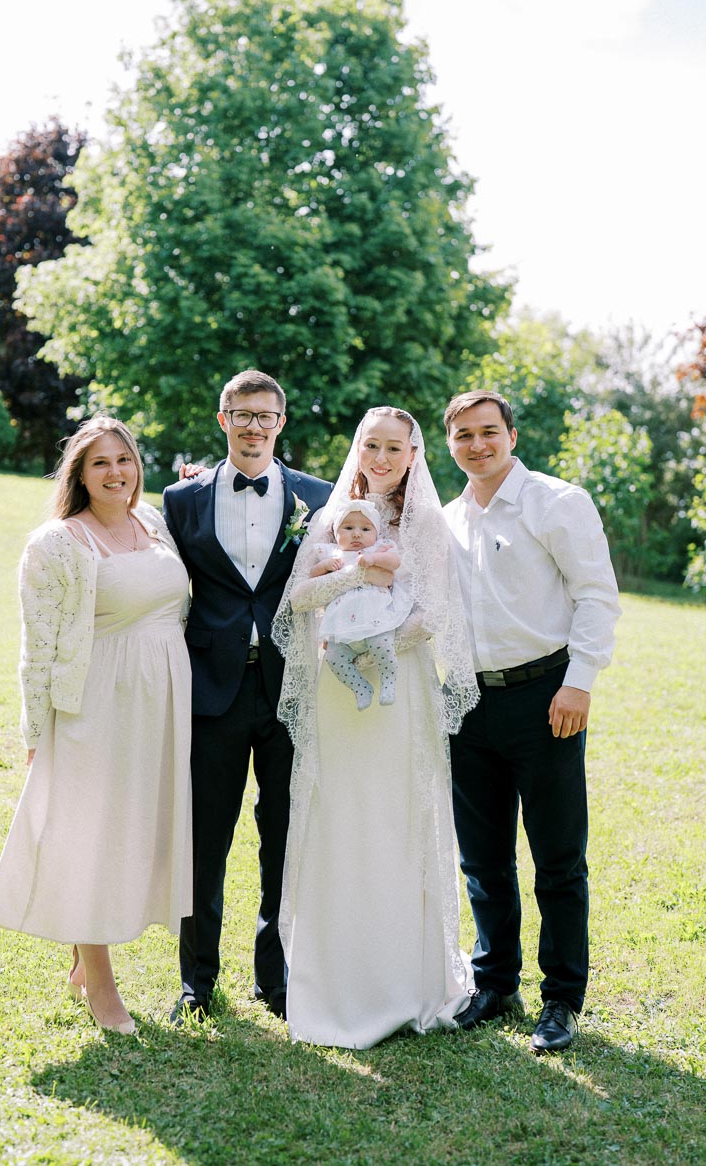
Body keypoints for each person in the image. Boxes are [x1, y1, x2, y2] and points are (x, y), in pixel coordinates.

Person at [272, 406, 479, 1049]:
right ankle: (333, 983)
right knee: (340, 818)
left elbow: (433, 614)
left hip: (398, 694)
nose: (382, 458)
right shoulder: (334, 516)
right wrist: (355, 579)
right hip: (338, 697)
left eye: (394, 447)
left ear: (414, 454)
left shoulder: (426, 523)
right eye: (371, 446)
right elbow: (298, 601)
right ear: (357, 450)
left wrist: (374, 630)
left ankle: (401, 981)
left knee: (395, 819)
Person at [0, 416, 192, 1037]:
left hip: (160, 705)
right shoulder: (56, 543)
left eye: (124, 460)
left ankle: (81, 961)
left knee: (133, 832)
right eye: (100, 463)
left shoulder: (152, 523)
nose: (116, 473)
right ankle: (100, 985)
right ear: (78, 473)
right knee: (89, 837)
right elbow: (37, 646)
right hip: (95, 705)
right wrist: (35, 731)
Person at [442, 389, 621, 1054]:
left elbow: (597, 595)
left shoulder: (557, 502)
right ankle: (494, 982)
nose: (478, 445)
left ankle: (561, 998)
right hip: (468, 702)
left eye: (489, 432)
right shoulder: (448, 518)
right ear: (452, 444)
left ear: (511, 435)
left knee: (557, 858)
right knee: (483, 860)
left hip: (546, 696)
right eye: (464, 436)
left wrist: (579, 684)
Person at [161, 370, 331, 1023]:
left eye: (266, 416)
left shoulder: (317, 497)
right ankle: (196, 980)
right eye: (242, 414)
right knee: (204, 840)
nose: (254, 426)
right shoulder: (180, 501)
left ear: (281, 423)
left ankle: (276, 975)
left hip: (292, 689)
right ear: (222, 418)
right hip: (212, 691)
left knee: (284, 835)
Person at [310, 498, 411, 710]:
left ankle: (388, 679)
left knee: (382, 646)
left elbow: (395, 562)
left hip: (374, 619)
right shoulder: (332, 553)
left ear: (375, 533)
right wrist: (324, 566)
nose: (356, 534)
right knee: (334, 658)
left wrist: (374, 560)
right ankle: (360, 687)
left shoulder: (380, 548)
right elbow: (312, 577)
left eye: (365, 528)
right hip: (342, 625)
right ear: (336, 533)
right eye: (348, 528)